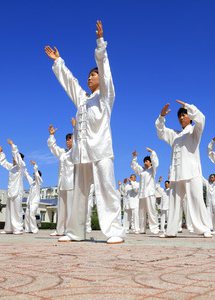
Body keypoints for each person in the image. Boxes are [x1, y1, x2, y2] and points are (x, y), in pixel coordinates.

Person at [45, 21, 124, 244]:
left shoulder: (105, 97)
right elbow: (71, 83)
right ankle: (75, 232)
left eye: (93, 75)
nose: (90, 78)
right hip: (82, 153)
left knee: (107, 190)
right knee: (80, 194)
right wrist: (59, 62)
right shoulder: (83, 100)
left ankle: (114, 232)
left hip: (101, 151)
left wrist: (100, 45)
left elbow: (106, 74)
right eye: (88, 75)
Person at [156, 100, 212, 238]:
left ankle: (204, 228)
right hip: (176, 174)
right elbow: (161, 131)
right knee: (174, 203)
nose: (181, 118)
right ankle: (171, 231)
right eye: (179, 116)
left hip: (192, 172)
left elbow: (202, 119)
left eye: (184, 115)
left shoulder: (194, 131)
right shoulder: (175, 135)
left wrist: (188, 106)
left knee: (196, 200)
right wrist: (161, 117)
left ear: (190, 117)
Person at [47, 123, 74, 237]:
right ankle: (60, 230)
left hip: (72, 183)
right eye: (67, 140)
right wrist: (52, 136)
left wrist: (76, 129)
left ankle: (71, 230)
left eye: (70, 139)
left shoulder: (77, 152)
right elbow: (53, 148)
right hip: (62, 183)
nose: (68, 141)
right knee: (61, 208)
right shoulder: (63, 152)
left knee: (71, 208)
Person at [0, 140, 29, 235]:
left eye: (15, 158)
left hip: (17, 192)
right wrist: (1, 152)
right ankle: (9, 228)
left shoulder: (21, 167)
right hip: (10, 191)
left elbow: (18, 159)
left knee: (17, 210)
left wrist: (13, 146)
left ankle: (18, 228)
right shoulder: (12, 167)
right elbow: (3, 162)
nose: (13, 159)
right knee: (9, 211)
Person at [131, 148, 160, 235]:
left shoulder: (152, 170)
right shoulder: (142, 171)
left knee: (152, 211)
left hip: (150, 193)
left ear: (150, 163)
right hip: (142, 194)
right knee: (141, 212)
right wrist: (134, 157)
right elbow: (134, 166)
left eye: (147, 161)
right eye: (144, 161)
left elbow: (156, 163)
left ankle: (155, 229)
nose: (145, 162)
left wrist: (153, 153)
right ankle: (142, 229)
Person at [24, 160, 42, 233]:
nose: (34, 175)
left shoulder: (39, 182)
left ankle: (34, 229)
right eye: (33, 174)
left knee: (32, 215)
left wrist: (35, 166)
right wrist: (23, 167)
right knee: (27, 215)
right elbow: (26, 175)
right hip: (29, 202)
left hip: (35, 202)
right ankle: (28, 229)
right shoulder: (32, 182)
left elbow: (37, 176)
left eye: (35, 174)